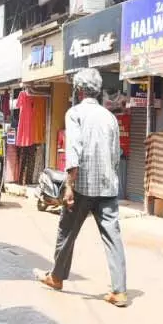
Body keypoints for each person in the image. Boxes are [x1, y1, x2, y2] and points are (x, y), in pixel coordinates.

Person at [35, 68, 128, 308]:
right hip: (107, 187)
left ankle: (56, 277)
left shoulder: (75, 113)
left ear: (78, 91)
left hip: (82, 186)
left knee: (67, 232)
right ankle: (119, 291)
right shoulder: (110, 117)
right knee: (113, 238)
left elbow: (73, 150)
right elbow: (116, 154)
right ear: (97, 91)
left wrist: (69, 185)